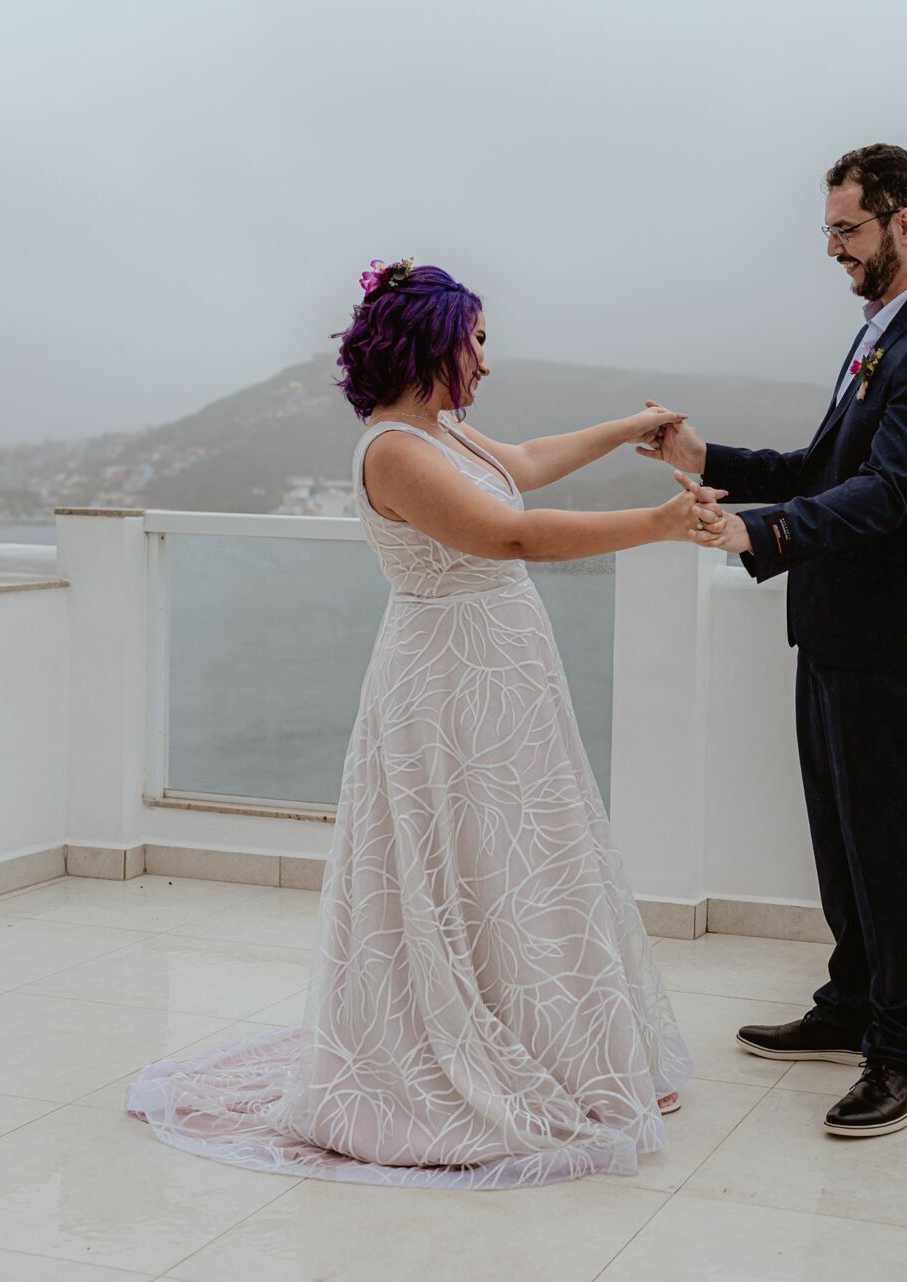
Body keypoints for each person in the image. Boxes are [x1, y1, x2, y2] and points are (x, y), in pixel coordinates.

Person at [128, 258, 709, 1188]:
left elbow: (528, 466)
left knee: (524, 860)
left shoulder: (449, 435)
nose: (486, 360)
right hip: (446, 687)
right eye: (476, 341)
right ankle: (485, 1062)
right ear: (435, 343)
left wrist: (632, 428)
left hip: (505, 677)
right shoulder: (392, 450)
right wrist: (660, 523)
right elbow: (509, 536)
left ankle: (571, 1054)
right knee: (471, 863)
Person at [640, 145, 907, 1137]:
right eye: (830, 230)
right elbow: (820, 463)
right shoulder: (885, 332)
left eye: (848, 229)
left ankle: (903, 1050)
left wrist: (765, 531)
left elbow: (891, 492)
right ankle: (850, 1002)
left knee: (893, 847)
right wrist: (705, 459)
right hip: (838, 630)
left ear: (906, 223)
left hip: (894, 640)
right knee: (844, 843)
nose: (833, 249)